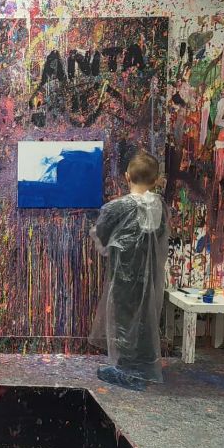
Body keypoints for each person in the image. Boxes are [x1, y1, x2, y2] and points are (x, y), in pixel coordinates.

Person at [90, 150, 168, 391]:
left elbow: (101, 234)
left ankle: (127, 372)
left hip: (124, 275)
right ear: (156, 180)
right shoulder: (159, 206)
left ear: (127, 176)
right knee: (144, 320)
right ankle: (143, 367)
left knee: (124, 319)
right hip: (150, 274)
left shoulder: (117, 207)